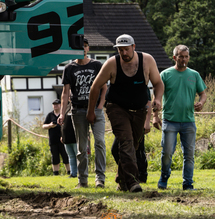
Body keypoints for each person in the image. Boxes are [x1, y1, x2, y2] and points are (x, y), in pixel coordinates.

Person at [87, 34, 164, 193]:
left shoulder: (147, 60)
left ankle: (121, 179)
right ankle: (133, 182)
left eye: (126, 49)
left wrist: (157, 99)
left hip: (139, 109)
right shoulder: (111, 64)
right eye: (120, 50)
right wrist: (91, 112)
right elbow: (95, 87)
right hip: (117, 108)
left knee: (133, 145)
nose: (123, 53)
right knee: (126, 142)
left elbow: (158, 83)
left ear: (133, 47)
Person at [154, 45, 207, 191]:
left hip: (189, 121)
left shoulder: (194, 75)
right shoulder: (165, 74)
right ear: (174, 57)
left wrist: (201, 103)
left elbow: (203, 93)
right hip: (170, 120)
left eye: (186, 56)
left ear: (188, 57)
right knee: (167, 153)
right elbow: (156, 96)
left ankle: (188, 183)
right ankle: (164, 178)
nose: (183, 59)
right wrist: (155, 116)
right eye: (180, 56)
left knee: (189, 155)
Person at [59, 37, 107, 188]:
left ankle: (100, 178)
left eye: (84, 46)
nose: (82, 49)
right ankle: (83, 180)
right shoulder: (69, 68)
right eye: (79, 46)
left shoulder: (97, 65)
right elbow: (65, 93)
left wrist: (99, 107)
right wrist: (61, 113)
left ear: (88, 48)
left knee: (100, 142)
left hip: (95, 110)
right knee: (82, 147)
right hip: (78, 110)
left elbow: (104, 88)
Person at [42, 99, 70, 175]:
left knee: (66, 156)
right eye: (54, 104)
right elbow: (43, 126)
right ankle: (55, 173)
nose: (55, 106)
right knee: (54, 157)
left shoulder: (63, 114)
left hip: (63, 139)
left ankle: (69, 171)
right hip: (53, 140)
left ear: (60, 105)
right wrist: (50, 125)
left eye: (57, 104)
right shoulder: (50, 115)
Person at [60, 103, 78, 179]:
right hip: (66, 137)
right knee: (71, 157)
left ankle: (82, 173)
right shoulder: (66, 108)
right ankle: (73, 173)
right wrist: (62, 136)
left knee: (79, 156)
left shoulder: (78, 107)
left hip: (76, 137)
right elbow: (63, 124)